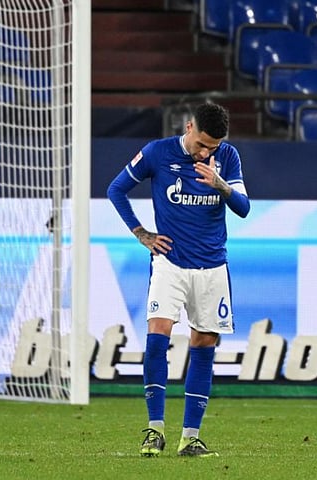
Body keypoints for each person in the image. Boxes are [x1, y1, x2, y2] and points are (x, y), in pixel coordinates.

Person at [107, 103, 250, 457]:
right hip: (169, 263)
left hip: (212, 267)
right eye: (201, 143)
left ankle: (190, 437)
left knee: (203, 345)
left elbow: (244, 207)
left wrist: (221, 186)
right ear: (189, 127)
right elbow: (116, 189)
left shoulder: (228, 157)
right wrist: (141, 233)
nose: (206, 152)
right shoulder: (158, 152)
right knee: (157, 338)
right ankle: (154, 431)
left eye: (212, 146)